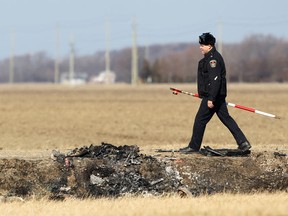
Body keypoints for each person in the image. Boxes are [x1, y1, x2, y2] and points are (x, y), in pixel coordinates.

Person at [179, 32, 251, 153]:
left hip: (213, 96)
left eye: (203, 45)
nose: (200, 47)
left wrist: (211, 98)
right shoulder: (209, 58)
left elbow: (215, 80)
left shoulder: (213, 60)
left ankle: (193, 146)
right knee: (226, 118)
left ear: (210, 46)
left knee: (200, 120)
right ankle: (243, 142)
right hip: (216, 95)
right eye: (200, 44)